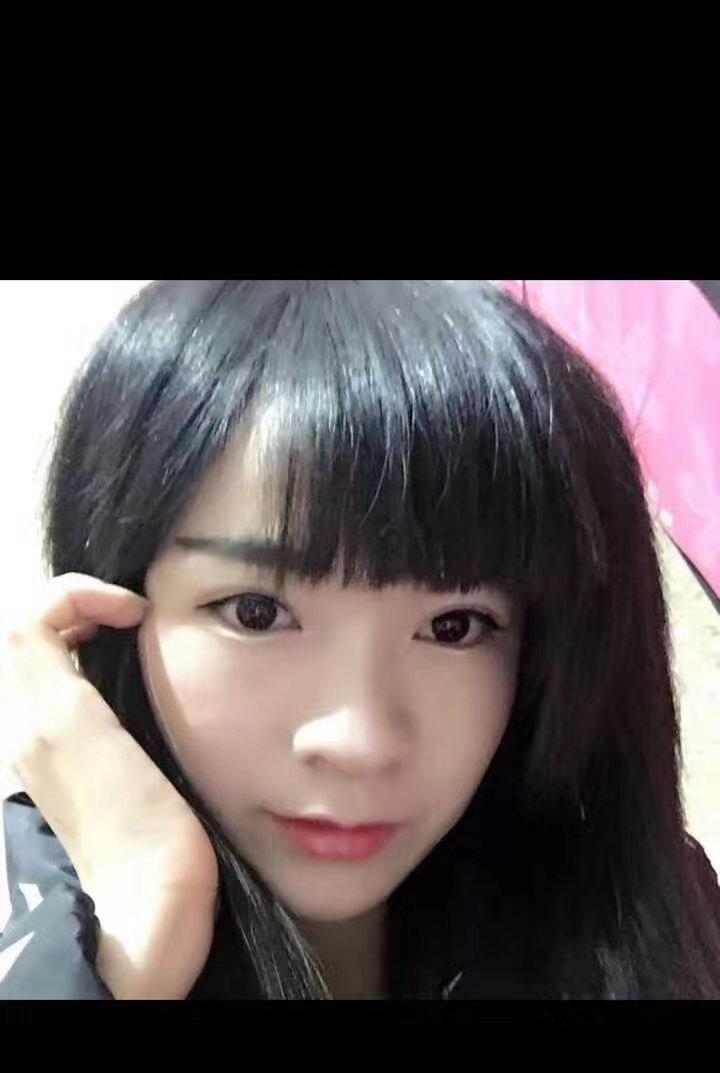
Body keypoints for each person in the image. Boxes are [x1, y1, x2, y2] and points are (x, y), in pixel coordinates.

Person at [1, 279, 719, 1000]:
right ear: (109, 612)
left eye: (454, 627)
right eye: (256, 612)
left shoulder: (649, 915)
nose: (360, 741)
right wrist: (139, 927)